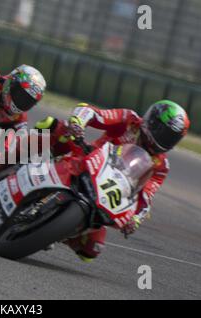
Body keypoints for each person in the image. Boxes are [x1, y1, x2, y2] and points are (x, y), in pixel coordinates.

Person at [34, 100, 190, 262]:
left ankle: (51, 232)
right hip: (84, 160)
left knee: (92, 249)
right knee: (54, 126)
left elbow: (147, 196)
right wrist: (78, 123)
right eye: (165, 133)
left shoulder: (161, 165)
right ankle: (18, 159)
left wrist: (135, 219)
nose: (166, 141)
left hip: (106, 192)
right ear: (152, 121)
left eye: (172, 138)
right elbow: (94, 113)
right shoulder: (129, 120)